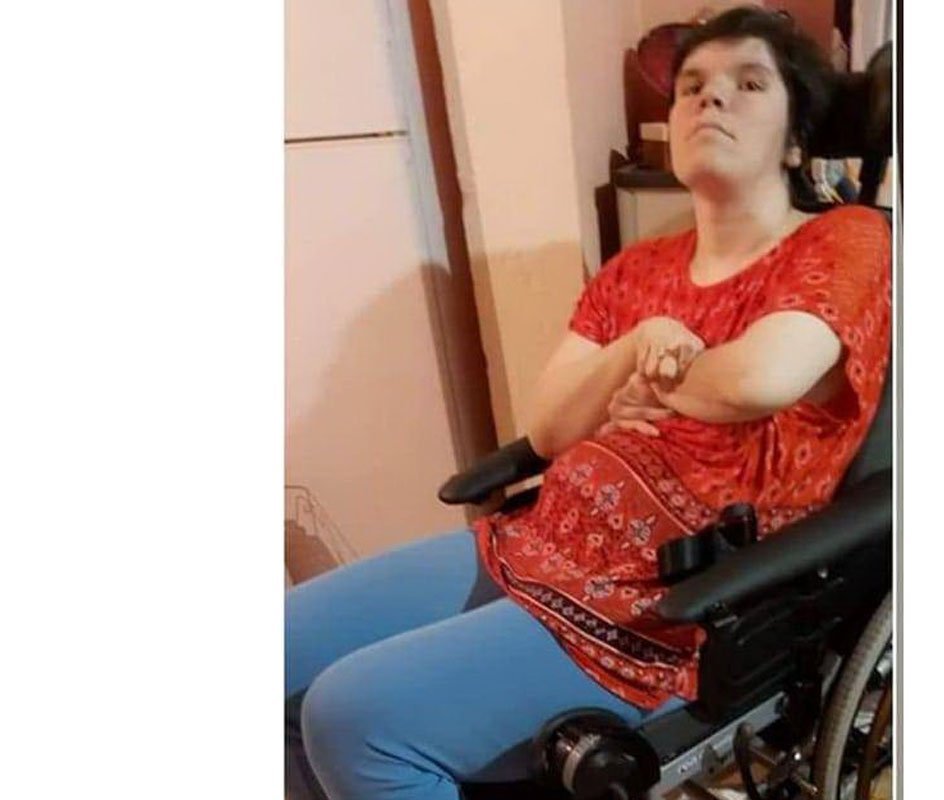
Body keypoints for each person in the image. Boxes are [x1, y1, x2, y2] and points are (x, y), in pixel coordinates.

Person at [285, 7, 891, 799]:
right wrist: (635, 347)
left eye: (749, 84)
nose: (711, 98)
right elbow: (550, 428)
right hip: (546, 537)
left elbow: (755, 382)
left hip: (677, 603)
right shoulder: (638, 269)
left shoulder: (846, 239)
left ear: (794, 139)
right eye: (692, 87)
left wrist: (646, 375)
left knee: (352, 717)